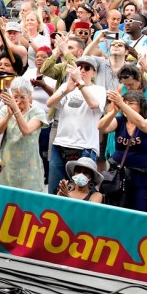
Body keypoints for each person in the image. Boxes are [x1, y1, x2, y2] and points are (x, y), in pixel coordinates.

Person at [45, 55, 105, 195]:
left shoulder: (99, 90)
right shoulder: (67, 86)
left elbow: (94, 104)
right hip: (60, 145)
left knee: (82, 191)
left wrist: (80, 84)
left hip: (85, 147)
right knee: (55, 189)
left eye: (87, 68)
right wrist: (66, 89)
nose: (82, 71)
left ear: (94, 73)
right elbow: (50, 104)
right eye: (80, 67)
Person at [98, 89, 147, 212]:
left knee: (139, 210)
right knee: (115, 209)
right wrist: (114, 111)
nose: (126, 106)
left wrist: (122, 105)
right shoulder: (120, 121)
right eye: (125, 102)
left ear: (141, 106)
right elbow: (101, 127)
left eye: (131, 103)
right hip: (118, 175)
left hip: (140, 176)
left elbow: (145, 126)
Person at [0, 77, 48, 192]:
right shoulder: (6, 109)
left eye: (22, 97)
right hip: (8, 165)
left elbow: (26, 130)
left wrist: (16, 111)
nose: (18, 100)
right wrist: (8, 115)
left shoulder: (37, 112)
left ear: (29, 96)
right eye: (15, 97)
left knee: (27, 202)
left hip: (29, 167)